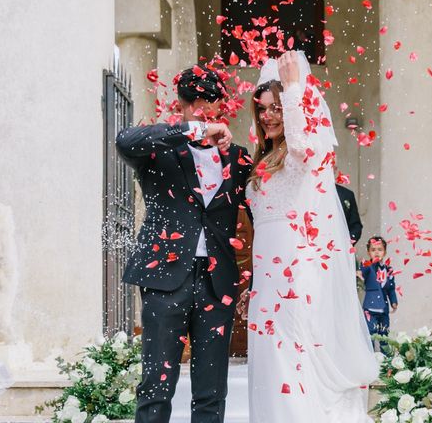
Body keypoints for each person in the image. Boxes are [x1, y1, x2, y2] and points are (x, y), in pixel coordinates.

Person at [245, 50, 379, 422]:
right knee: (270, 359)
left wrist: (293, 89)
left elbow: (304, 145)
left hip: (297, 273)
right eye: (263, 108)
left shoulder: (301, 157)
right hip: (266, 282)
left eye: (275, 107)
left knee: (293, 355)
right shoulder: (261, 163)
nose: (268, 115)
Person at [116, 66, 252, 423]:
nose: (201, 108)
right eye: (193, 102)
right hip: (165, 281)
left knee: (211, 392)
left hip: (216, 284)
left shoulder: (238, 159)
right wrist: (194, 130)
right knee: (156, 388)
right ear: (182, 104)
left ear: (223, 104)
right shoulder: (160, 150)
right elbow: (125, 141)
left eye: (209, 102)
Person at [360, 236, 398, 354]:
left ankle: (385, 361)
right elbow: (364, 272)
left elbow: (391, 288)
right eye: (373, 250)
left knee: (384, 335)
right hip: (370, 308)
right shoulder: (367, 267)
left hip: (384, 308)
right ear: (368, 252)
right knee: (370, 333)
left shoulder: (389, 269)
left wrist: (394, 301)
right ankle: (370, 358)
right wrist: (366, 266)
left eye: (380, 249)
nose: (376, 252)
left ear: (385, 252)